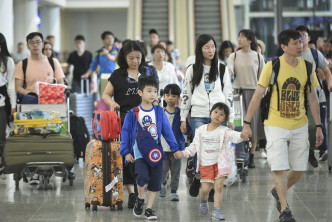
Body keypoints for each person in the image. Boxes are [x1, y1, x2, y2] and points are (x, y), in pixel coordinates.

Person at [241, 29, 323, 222]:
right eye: (295, 43)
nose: (300, 45)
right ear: (284, 47)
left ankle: (279, 190)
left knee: (299, 169)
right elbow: (257, 95)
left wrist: (318, 125)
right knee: (279, 167)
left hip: (300, 123)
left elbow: (312, 98)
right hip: (275, 123)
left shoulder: (307, 67)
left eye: (300, 42)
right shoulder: (272, 66)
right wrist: (246, 123)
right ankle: (284, 209)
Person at [102, 40, 159, 209]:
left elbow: (156, 92)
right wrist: (112, 103)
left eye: (138, 57)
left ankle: (142, 190)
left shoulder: (148, 71)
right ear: (124, 58)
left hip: (147, 119)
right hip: (126, 119)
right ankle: (132, 194)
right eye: (131, 58)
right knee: (128, 156)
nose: (135, 61)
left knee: (144, 155)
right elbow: (106, 94)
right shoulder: (118, 75)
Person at [120, 76, 181, 220]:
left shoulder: (159, 111)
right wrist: (126, 152)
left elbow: (167, 131)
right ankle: (140, 198)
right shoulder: (133, 113)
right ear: (140, 92)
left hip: (156, 152)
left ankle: (149, 209)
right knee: (142, 176)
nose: (153, 94)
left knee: (155, 180)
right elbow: (125, 132)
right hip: (139, 152)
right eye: (149, 91)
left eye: (155, 91)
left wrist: (175, 148)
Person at [176, 102, 247, 220]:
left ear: (225, 118)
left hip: (220, 164)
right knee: (205, 189)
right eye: (216, 112)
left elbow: (234, 135)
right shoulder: (201, 130)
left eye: (221, 114)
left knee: (219, 186)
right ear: (210, 113)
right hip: (205, 165)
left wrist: (242, 135)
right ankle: (203, 200)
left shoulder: (224, 131)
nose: (217, 115)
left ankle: (217, 210)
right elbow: (193, 147)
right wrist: (183, 153)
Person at [14, 32, 65, 184]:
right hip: (31, 105)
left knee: (51, 137)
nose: (35, 45)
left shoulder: (53, 62)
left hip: (51, 105)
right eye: (32, 42)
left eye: (38, 42)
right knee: (33, 138)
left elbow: (61, 84)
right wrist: (35, 93)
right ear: (28, 45)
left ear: (43, 44)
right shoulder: (22, 64)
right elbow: (18, 88)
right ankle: (33, 168)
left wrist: (46, 92)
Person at [227, 29, 266, 168]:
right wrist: (227, 81)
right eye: (239, 37)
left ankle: (251, 155)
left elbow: (263, 76)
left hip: (254, 92)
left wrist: (264, 91)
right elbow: (229, 70)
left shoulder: (258, 57)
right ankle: (240, 154)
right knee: (238, 123)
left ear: (250, 40)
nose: (239, 39)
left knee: (254, 123)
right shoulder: (234, 56)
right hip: (238, 91)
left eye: (242, 37)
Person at [295, 25, 332, 164]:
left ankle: (323, 151)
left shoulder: (315, 54)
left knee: (320, 124)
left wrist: (329, 83)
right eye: (298, 36)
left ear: (308, 38)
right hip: (299, 98)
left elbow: (326, 71)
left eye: (303, 35)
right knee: (305, 127)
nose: (301, 38)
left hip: (318, 95)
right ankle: (309, 151)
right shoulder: (293, 56)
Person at [159, 84, 187, 201]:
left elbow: (187, 129)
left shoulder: (181, 114)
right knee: (163, 170)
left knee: (176, 172)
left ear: (178, 98)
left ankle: (174, 191)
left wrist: (185, 129)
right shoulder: (160, 112)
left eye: (173, 95)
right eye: (167, 95)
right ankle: (163, 183)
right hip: (163, 148)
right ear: (164, 97)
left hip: (177, 148)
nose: (170, 98)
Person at [0, 33, 16, 170]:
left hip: (2, 103)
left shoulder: (8, 61)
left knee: (1, 136)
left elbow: (11, 85)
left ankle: (3, 161)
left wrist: (13, 105)